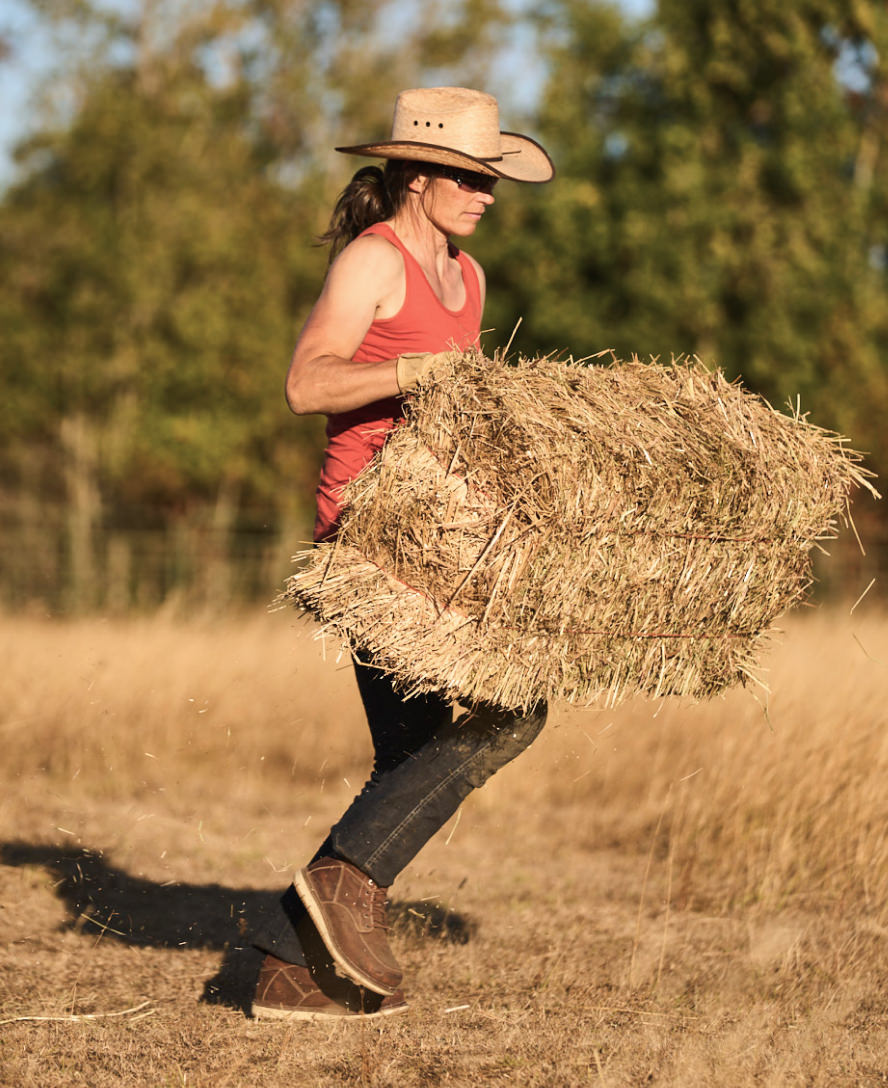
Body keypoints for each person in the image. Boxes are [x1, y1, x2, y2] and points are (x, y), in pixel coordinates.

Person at [251, 86, 555, 1021]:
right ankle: (334, 897)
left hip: (440, 541)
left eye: (492, 180)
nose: (486, 194)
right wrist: (410, 370)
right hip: (366, 540)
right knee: (512, 712)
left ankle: (289, 972)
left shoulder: (470, 278)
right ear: (418, 176)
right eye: (470, 178)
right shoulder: (372, 262)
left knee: (415, 754)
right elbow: (307, 384)